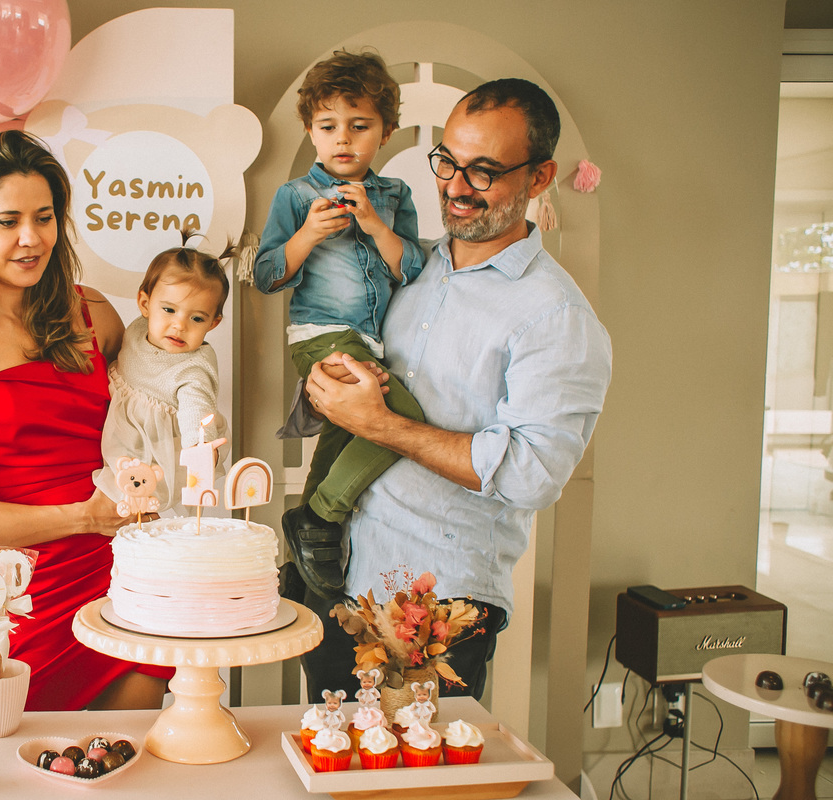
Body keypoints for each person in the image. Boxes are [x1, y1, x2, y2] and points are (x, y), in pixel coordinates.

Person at [298, 78, 612, 702]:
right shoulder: (412, 267)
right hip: (342, 576)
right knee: (334, 774)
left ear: (541, 177)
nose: (456, 186)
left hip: (439, 608)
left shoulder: (556, 317)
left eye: (484, 171)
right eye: (448, 161)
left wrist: (379, 424)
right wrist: (331, 387)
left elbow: (532, 474)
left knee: (420, 786)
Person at [0, 130, 171, 711]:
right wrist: (83, 517)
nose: (31, 239)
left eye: (44, 217)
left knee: (128, 768)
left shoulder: (94, 312)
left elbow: (147, 423)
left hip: (122, 579)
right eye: (8, 221)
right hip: (27, 597)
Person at [253, 49, 426, 601]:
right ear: (311, 131)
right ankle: (322, 520)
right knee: (403, 418)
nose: (343, 139)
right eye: (328, 127)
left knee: (344, 432)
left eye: (360, 126)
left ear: (387, 132)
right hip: (322, 336)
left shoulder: (395, 197)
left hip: (374, 341)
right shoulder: (296, 196)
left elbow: (413, 269)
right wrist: (305, 235)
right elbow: (265, 276)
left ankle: (300, 556)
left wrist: (376, 225)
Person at [93, 236, 231, 513]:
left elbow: (197, 409)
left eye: (197, 318)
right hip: (117, 420)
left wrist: (200, 447)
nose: (178, 325)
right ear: (145, 304)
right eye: (169, 310)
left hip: (152, 445)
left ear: (214, 323)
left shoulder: (194, 368)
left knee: (133, 492)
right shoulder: (138, 328)